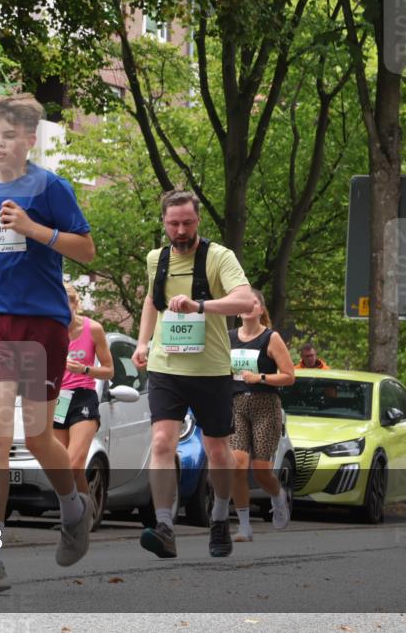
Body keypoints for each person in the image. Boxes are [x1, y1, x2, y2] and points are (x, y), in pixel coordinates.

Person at [0, 93, 96, 595]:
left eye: (8, 136)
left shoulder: (50, 187)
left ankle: (73, 507)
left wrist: (35, 228)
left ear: (28, 141)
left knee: (38, 437)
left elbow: (85, 249)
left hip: (43, 324)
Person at [132, 189, 257, 559]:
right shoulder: (158, 259)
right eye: (174, 223)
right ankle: (165, 524)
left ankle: (219, 516)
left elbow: (246, 300)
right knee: (161, 443)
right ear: (164, 223)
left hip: (211, 369)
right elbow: (151, 302)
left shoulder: (219, 257)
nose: (181, 230)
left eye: (187, 222)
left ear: (198, 220)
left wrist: (199, 304)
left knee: (216, 449)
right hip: (166, 366)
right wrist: (142, 343)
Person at [227, 288, 295, 542]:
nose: (247, 307)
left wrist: (261, 378)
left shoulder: (271, 338)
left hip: (265, 406)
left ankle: (278, 498)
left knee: (261, 471)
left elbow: (289, 376)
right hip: (237, 406)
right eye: (243, 303)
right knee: (238, 465)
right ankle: (244, 526)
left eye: (252, 303)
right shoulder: (229, 337)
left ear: (260, 309)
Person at [56, 284, 114, 498]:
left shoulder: (93, 329)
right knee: (64, 469)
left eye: (65, 304)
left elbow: (109, 371)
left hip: (83, 397)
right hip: (58, 399)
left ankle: (76, 513)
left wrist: (84, 369)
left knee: (73, 464)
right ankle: (80, 511)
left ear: (74, 304)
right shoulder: (51, 331)